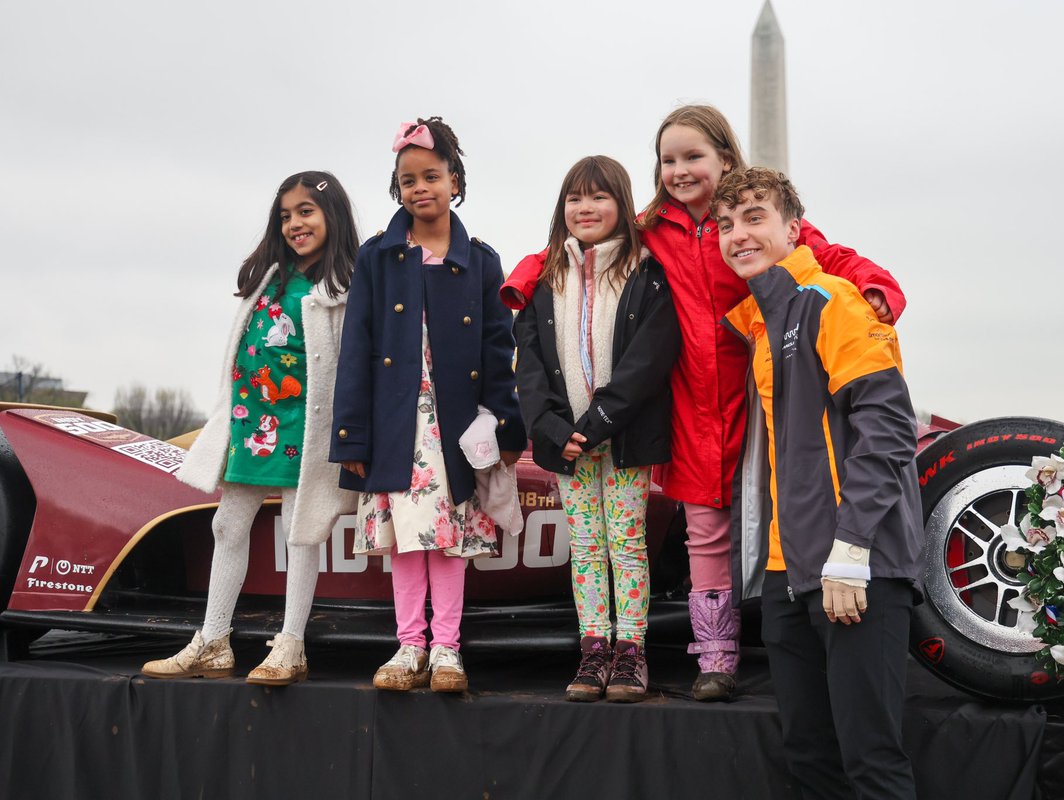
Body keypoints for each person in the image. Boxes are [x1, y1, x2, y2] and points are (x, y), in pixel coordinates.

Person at [500, 105, 906, 700]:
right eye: (669, 160)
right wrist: (525, 275)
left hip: (761, 387)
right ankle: (715, 656)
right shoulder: (651, 230)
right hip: (689, 394)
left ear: (726, 158)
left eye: (694, 157)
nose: (680, 170)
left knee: (779, 510)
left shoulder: (742, 221)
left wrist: (874, 284)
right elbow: (576, 244)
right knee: (704, 527)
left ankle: (801, 631)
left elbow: (827, 254)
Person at [715, 167, 922, 799]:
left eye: (755, 218)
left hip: (858, 568)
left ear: (793, 229)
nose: (738, 235)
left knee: (872, 762)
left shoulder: (832, 299)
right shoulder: (758, 321)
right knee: (808, 760)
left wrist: (853, 546)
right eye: (726, 224)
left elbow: (887, 427)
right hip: (788, 572)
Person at [330, 117, 525, 694]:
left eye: (432, 175)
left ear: (455, 179)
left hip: (456, 426)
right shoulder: (377, 258)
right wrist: (351, 438)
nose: (421, 188)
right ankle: (408, 644)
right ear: (398, 188)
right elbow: (356, 349)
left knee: (449, 538)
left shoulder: (482, 261)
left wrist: (505, 427)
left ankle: (447, 649)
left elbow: (498, 348)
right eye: (408, 179)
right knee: (408, 540)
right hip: (396, 425)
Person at [142, 171, 359, 685]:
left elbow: (350, 365)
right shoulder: (269, 277)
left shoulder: (344, 286)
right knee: (226, 524)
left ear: (332, 216)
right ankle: (212, 640)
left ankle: (291, 645)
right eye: (285, 215)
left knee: (302, 532)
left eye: (306, 211)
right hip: (251, 422)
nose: (294, 223)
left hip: (304, 426)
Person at [514, 156, 680, 703]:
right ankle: (593, 650)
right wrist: (551, 426)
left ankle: (630, 653)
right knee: (585, 545)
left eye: (599, 197)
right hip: (566, 443)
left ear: (624, 206)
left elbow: (649, 359)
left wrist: (599, 422)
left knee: (626, 543)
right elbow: (531, 361)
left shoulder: (646, 272)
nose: (585, 208)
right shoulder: (545, 276)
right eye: (574, 199)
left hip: (624, 437)